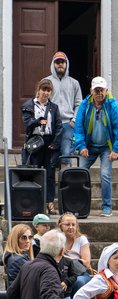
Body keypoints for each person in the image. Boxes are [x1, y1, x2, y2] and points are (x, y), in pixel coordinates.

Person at [73, 76, 118, 217]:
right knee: (79, 173)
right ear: (91, 91)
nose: (99, 93)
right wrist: (81, 146)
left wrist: (116, 150)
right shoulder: (85, 105)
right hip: (89, 146)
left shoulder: (114, 106)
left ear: (106, 90)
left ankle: (107, 207)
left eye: (101, 90)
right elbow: (78, 128)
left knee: (104, 174)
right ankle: (79, 206)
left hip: (106, 147)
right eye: (96, 90)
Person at [21, 78, 63, 214]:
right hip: (35, 143)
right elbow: (27, 123)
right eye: (44, 90)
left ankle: (50, 203)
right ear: (38, 90)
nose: (46, 93)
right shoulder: (29, 105)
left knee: (50, 175)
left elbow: (59, 127)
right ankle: (36, 203)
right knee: (35, 173)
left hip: (49, 144)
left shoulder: (54, 107)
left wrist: (56, 143)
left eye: (48, 90)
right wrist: (38, 121)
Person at [58, 212, 92, 299]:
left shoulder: (81, 239)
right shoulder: (57, 239)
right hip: (63, 273)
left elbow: (86, 263)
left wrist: (67, 259)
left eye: (74, 224)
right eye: (67, 224)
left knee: (78, 282)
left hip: (80, 274)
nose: (71, 227)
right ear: (61, 226)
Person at [46, 51, 82, 162]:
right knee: (49, 155)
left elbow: (79, 104)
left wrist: (74, 121)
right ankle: (51, 179)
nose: (60, 64)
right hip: (50, 125)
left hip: (67, 124)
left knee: (66, 156)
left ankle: (65, 179)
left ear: (66, 64)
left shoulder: (74, 83)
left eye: (62, 62)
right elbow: (40, 103)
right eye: (57, 62)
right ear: (53, 64)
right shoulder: (46, 82)